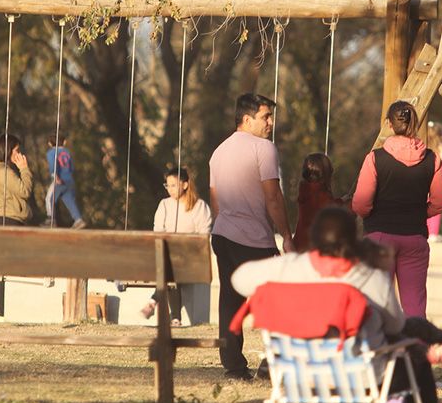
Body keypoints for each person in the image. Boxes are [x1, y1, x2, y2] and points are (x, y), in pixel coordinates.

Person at [232, 207, 442, 403]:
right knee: (413, 360)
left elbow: (239, 278)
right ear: (354, 239)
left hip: (299, 377)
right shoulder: (367, 276)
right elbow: (396, 324)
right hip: (358, 378)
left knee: (340, 361)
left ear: (314, 238)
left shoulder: (289, 268)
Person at [209, 93, 293, 379]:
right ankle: (272, 362)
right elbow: (273, 197)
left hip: (223, 234)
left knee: (230, 302)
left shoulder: (218, 151)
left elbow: (215, 200)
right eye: (265, 117)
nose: (270, 122)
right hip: (253, 238)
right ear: (247, 119)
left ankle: (233, 366)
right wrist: (286, 235)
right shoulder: (264, 148)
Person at [351, 101, 442, 319]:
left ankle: (378, 347)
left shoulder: (375, 158)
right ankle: (416, 346)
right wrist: (416, 213)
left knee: (377, 299)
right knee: (414, 303)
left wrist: (373, 213)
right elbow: (441, 202)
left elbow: (361, 204)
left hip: (379, 236)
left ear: (388, 123)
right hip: (415, 236)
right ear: (415, 123)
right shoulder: (432, 159)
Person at [145, 166, 213, 325]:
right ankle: (175, 318)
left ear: (185, 184)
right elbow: (158, 231)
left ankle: (154, 301)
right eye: (167, 185)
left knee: (171, 267)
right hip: (168, 256)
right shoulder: (164, 205)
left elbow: (203, 235)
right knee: (170, 269)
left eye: (173, 185)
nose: (170, 189)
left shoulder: (199, 206)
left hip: (190, 257)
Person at [293, 153, 347, 253]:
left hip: (300, 243)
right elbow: (331, 208)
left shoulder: (305, 190)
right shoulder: (319, 192)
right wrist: (344, 201)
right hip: (312, 246)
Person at [0, 133, 35, 226]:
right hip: (10, 221)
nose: (19, 154)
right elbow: (25, 191)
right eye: (16, 150)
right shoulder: (4, 172)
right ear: (8, 150)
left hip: (6, 220)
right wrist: (24, 168)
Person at [46, 134, 86, 229]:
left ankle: (51, 219)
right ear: (64, 142)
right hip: (69, 180)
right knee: (69, 200)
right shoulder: (67, 152)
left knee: (49, 198)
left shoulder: (51, 152)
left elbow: (53, 164)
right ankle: (78, 219)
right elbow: (71, 167)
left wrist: (55, 176)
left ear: (50, 144)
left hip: (59, 180)